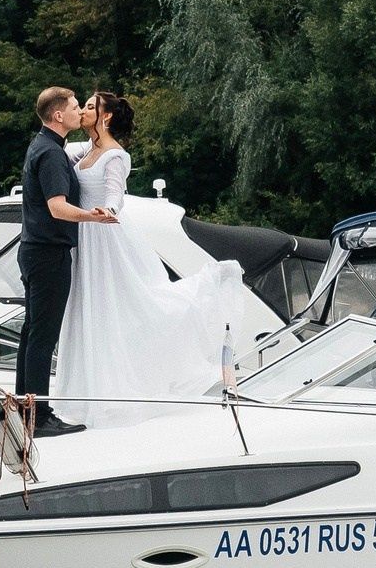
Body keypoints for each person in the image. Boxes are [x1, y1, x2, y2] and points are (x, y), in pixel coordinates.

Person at [53, 91, 244, 429]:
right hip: (85, 237)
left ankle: (129, 385)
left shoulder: (115, 155)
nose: (83, 110)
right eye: (83, 105)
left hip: (106, 237)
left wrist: (108, 211)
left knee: (123, 308)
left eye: (91, 107)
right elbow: (57, 150)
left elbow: (115, 194)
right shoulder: (85, 150)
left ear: (106, 117)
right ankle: (92, 392)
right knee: (89, 310)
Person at [17, 85, 115, 436]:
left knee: (31, 333)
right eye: (74, 107)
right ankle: (39, 418)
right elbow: (56, 207)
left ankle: (23, 410)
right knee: (42, 337)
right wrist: (94, 216)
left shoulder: (42, 146)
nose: (78, 111)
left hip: (33, 251)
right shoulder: (52, 154)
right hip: (48, 254)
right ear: (58, 115)